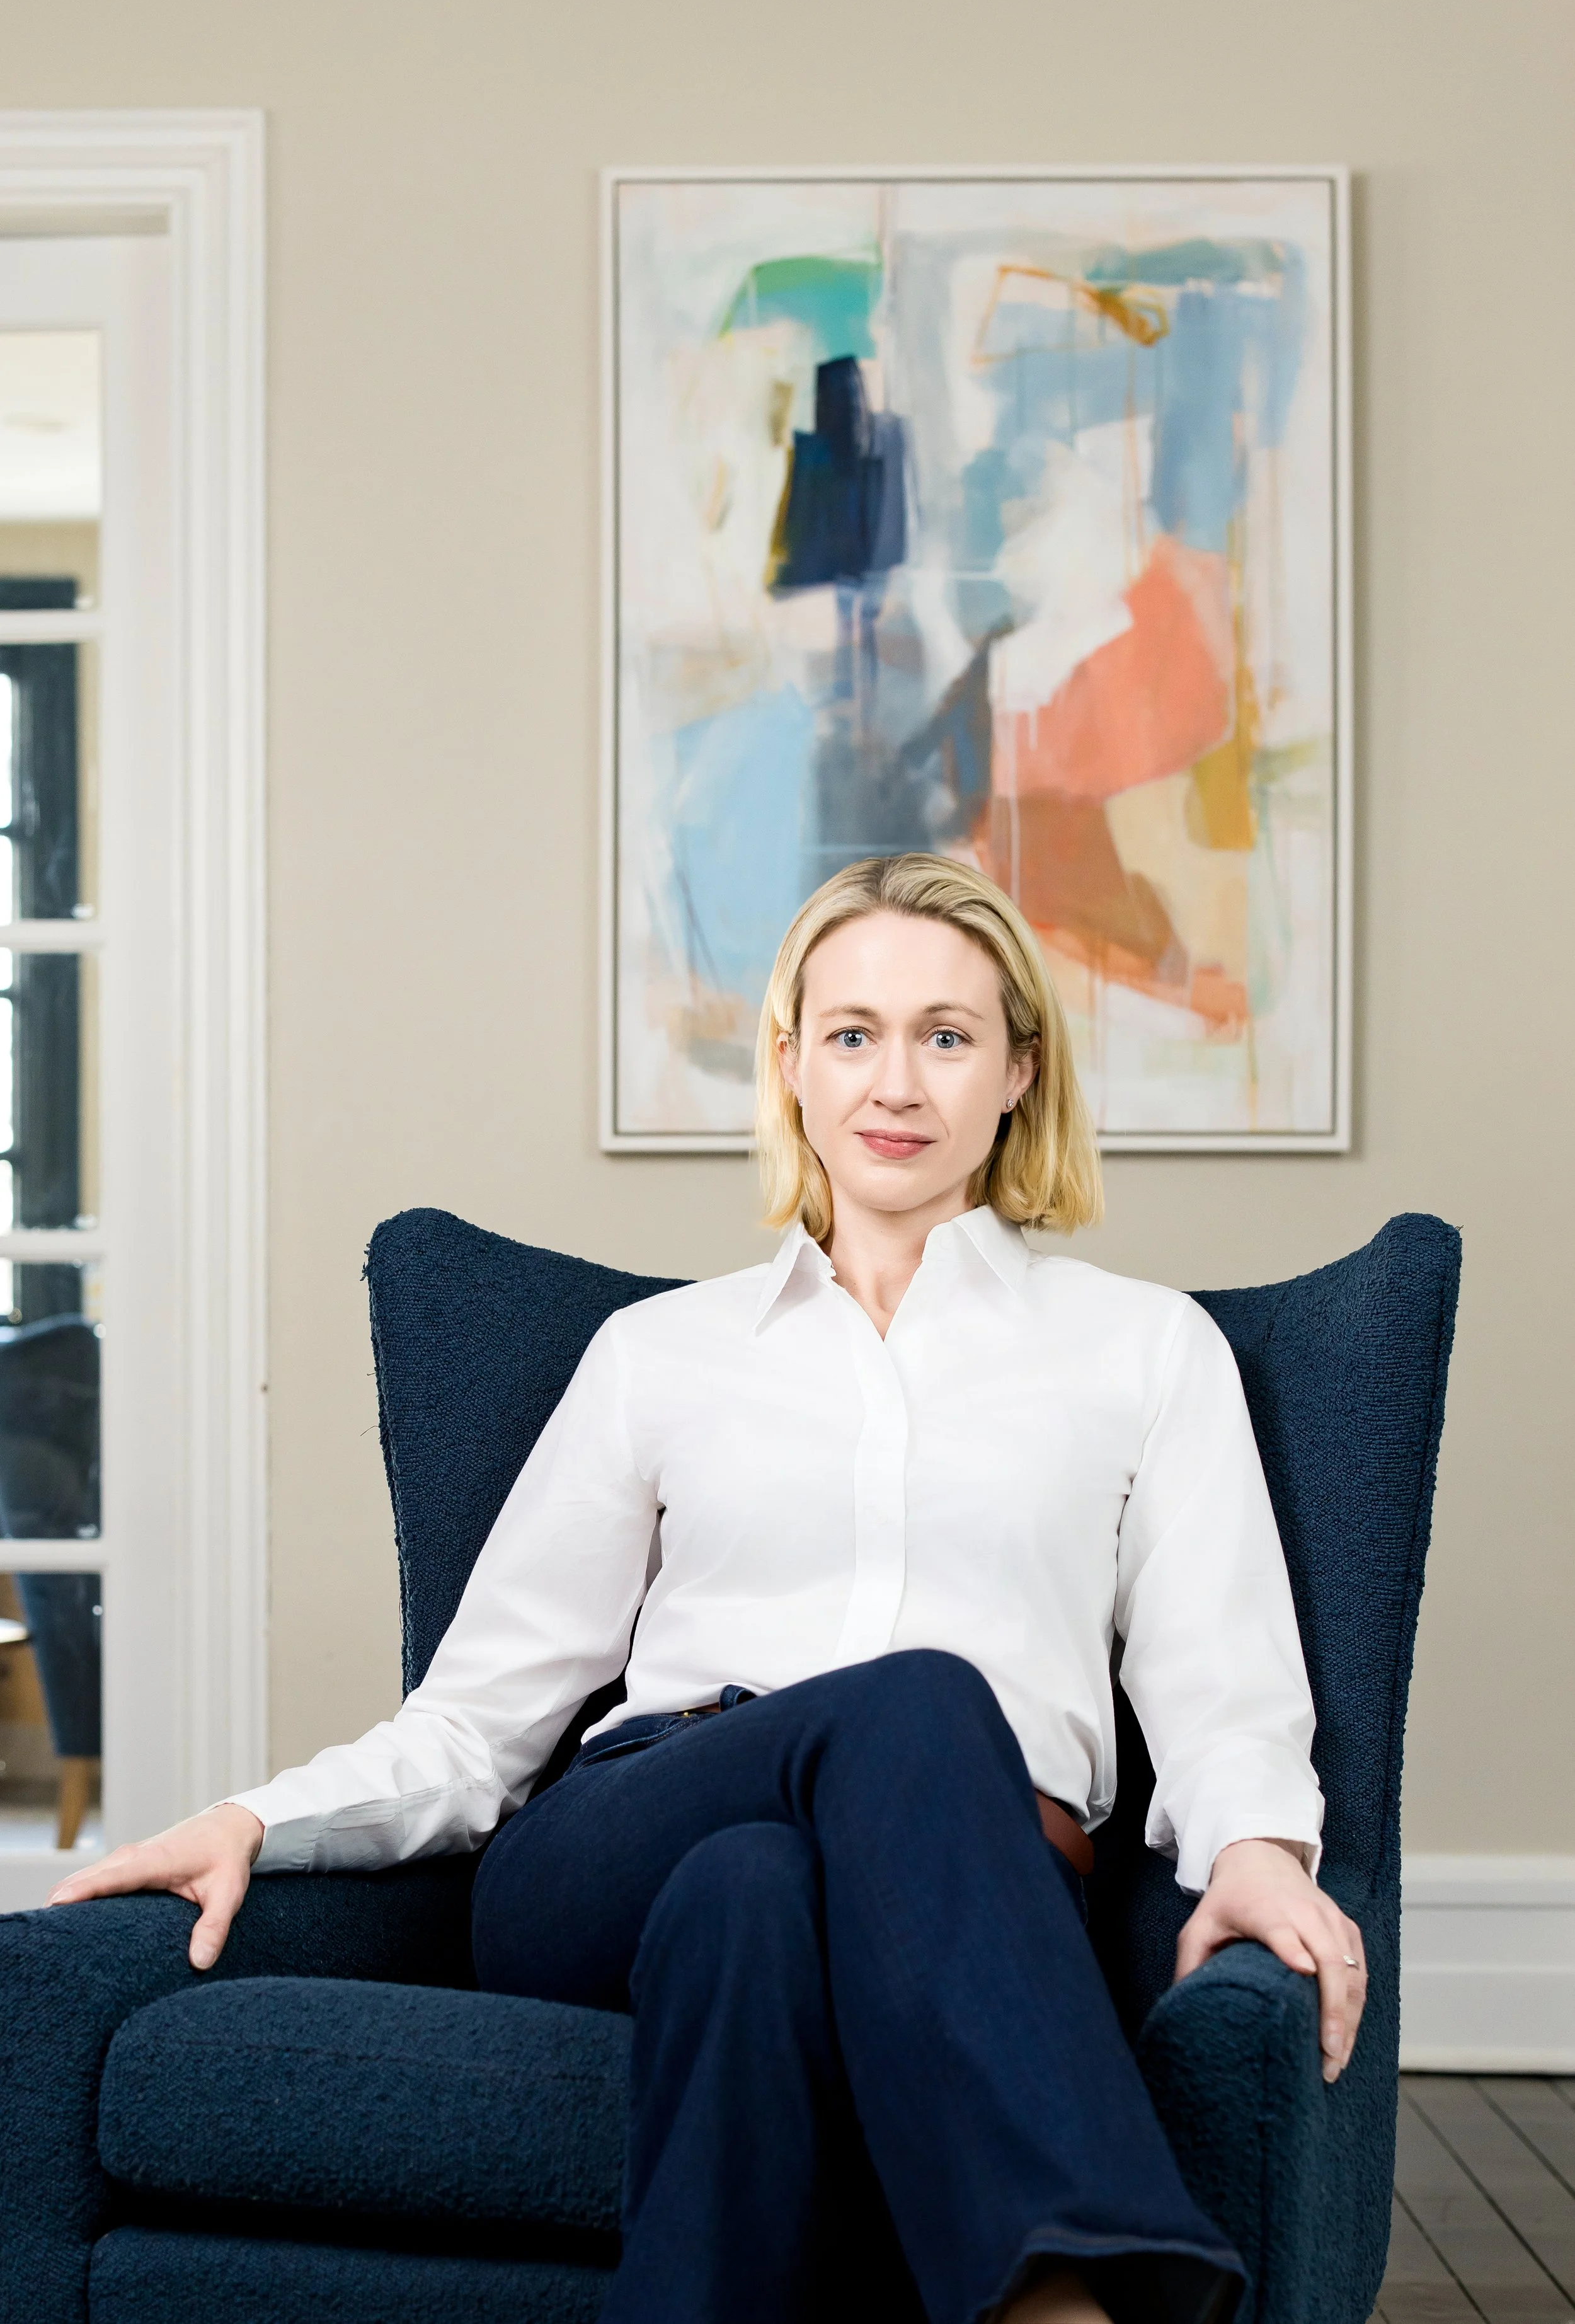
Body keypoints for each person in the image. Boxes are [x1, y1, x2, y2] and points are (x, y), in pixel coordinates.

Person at [51, 853, 1366, 2324]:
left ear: (1016, 1071)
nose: (896, 1079)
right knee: (915, 1700)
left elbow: (1219, 1669)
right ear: (791, 1063)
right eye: (852, 1031)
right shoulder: (658, 1353)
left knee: (757, 1894)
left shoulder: (1144, 1348)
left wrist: (1260, 1842)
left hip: (962, 1877)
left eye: (945, 1034)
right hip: (623, 1829)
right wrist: (256, 1816)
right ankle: (1058, 2290)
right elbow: (480, 1720)